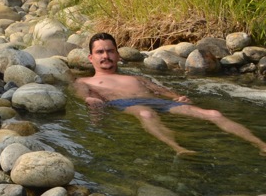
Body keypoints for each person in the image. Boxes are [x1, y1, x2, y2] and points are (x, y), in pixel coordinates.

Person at [74, 32, 266, 155]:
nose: (105, 56)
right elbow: (84, 94)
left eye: (109, 51)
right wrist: (91, 100)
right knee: (145, 113)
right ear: (91, 58)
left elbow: (158, 89)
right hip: (125, 104)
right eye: (100, 52)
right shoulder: (84, 81)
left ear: (117, 54)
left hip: (159, 102)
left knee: (214, 113)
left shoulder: (135, 77)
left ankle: (260, 145)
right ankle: (179, 149)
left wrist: (175, 97)